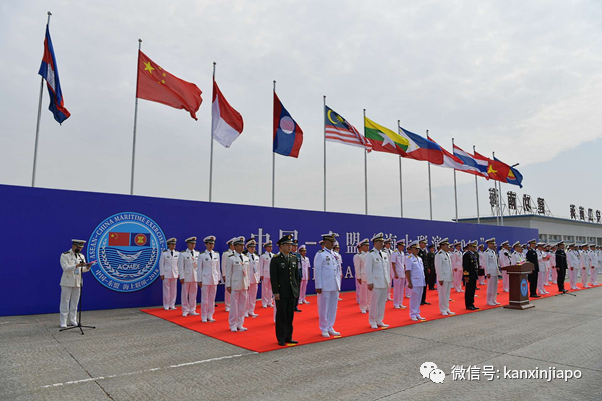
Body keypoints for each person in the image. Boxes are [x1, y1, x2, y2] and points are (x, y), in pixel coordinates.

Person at [270, 235, 299, 346]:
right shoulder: (276, 259)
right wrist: (276, 292)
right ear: (281, 246)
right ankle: (281, 338)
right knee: (281, 315)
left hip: (291, 291)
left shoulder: (293, 258)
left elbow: (296, 276)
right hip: (281, 292)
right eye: (287, 244)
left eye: (290, 244)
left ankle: (288, 337)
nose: (289, 246)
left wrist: (296, 290)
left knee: (290, 315)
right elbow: (274, 277)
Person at [59, 239, 93, 328]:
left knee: (75, 302)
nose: (79, 249)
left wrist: (88, 267)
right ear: (73, 246)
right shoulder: (65, 255)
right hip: (67, 281)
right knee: (65, 301)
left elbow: (82, 270)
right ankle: (63, 321)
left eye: (81, 248)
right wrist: (76, 266)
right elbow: (65, 268)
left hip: (78, 282)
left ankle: (72, 320)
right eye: (78, 247)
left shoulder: (81, 256)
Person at [314, 231, 342, 337]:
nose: (332, 243)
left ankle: (330, 326)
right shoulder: (320, 254)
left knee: (333, 307)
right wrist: (318, 286)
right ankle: (323, 328)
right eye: (330, 241)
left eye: (333, 241)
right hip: (325, 285)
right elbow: (317, 271)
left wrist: (339, 283)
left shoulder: (335, 255)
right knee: (323, 307)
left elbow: (338, 270)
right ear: (325, 242)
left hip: (334, 284)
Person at [365, 233, 392, 328]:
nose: (382, 243)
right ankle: (372, 321)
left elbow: (387, 269)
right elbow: (368, 269)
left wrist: (388, 280)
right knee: (373, 303)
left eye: (382, 242)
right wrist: (370, 282)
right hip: (375, 283)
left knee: (381, 303)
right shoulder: (370, 254)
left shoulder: (384, 254)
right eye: (380, 242)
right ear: (375, 242)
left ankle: (380, 320)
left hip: (384, 282)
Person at [225, 236, 250, 332]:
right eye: (240, 245)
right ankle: (233, 324)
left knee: (242, 305)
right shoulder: (231, 258)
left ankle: (240, 323)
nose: (242, 247)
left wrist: (247, 284)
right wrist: (228, 285)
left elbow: (247, 272)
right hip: (235, 284)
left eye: (243, 245)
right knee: (234, 306)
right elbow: (228, 273)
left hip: (244, 284)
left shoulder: (245, 257)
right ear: (235, 246)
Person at [198, 235, 220, 322]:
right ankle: (204, 315)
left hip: (214, 279)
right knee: (205, 299)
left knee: (212, 299)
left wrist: (218, 278)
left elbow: (217, 268)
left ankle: (210, 315)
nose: (211, 245)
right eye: (209, 244)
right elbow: (199, 268)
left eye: (212, 244)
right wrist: (199, 280)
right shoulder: (202, 255)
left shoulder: (216, 254)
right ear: (206, 245)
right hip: (205, 279)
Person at [178, 237, 200, 317]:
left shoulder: (198, 253)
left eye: (194, 243)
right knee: (184, 294)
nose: (193, 245)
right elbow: (181, 266)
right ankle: (185, 310)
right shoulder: (183, 254)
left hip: (195, 276)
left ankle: (192, 309)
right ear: (188, 244)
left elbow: (199, 266)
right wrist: (181, 276)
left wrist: (199, 277)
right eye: (191, 243)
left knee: (193, 294)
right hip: (186, 276)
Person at [405, 240, 426, 321]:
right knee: (414, 298)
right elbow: (408, 271)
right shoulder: (409, 258)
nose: (417, 250)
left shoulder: (419, 258)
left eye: (418, 248)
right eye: (415, 248)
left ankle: (417, 313)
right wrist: (409, 282)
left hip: (421, 281)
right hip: (414, 281)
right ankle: (412, 314)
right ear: (411, 249)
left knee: (419, 298)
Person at [434, 238, 454, 315]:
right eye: (446, 245)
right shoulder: (439, 255)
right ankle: (442, 309)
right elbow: (438, 267)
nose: (448, 247)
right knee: (442, 294)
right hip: (443, 277)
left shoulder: (447, 254)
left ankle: (447, 308)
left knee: (447, 294)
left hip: (448, 277)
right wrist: (440, 278)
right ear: (442, 245)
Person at [159, 237, 179, 310]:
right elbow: (161, 264)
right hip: (166, 274)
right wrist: (162, 274)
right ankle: (166, 305)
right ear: (168, 245)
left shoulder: (177, 253)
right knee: (166, 290)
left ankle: (172, 305)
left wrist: (179, 273)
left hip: (175, 273)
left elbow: (178, 264)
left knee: (174, 290)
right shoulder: (164, 253)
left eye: (174, 244)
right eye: (172, 244)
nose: (173, 246)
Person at [245, 239, 260, 318]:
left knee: (253, 296)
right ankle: (245, 311)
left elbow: (258, 268)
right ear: (247, 247)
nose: (253, 249)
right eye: (251, 247)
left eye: (254, 247)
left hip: (255, 278)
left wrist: (258, 277)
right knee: (246, 296)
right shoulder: (245, 257)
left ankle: (251, 310)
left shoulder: (256, 257)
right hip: (248, 278)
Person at [354, 238, 370, 313]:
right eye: (366, 246)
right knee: (363, 294)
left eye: (368, 246)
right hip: (363, 277)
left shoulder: (369, 255)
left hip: (369, 277)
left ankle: (368, 306)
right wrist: (358, 277)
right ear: (362, 247)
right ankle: (363, 307)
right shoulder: (358, 256)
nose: (367, 247)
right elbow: (357, 268)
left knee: (369, 294)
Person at [463, 240, 480, 310]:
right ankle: (468, 304)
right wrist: (466, 276)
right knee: (469, 290)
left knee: (473, 289)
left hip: (474, 274)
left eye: (475, 246)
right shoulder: (467, 255)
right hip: (469, 275)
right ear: (469, 247)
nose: (475, 248)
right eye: (473, 246)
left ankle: (472, 303)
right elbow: (465, 266)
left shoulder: (474, 254)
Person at [484, 238, 501, 306]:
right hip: (490, 272)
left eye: (494, 244)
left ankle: (494, 299)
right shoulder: (486, 252)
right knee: (490, 287)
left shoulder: (493, 252)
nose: (493, 245)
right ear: (488, 244)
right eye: (492, 244)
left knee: (495, 287)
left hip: (495, 271)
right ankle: (489, 300)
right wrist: (487, 272)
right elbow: (486, 263)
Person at [221, 238, 236, 312]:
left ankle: (233, 305)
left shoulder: (237, 253)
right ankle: (227, 305)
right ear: (230, 245)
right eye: (233, 245)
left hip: (236, 274)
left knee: (235, 290)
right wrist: (224, 274)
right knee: (228, 291)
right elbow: (224, 265)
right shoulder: (226, 254)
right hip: (228, 274)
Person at [391, 240, 407, 309]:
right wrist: (395, 273)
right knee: (396, 289)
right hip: (397, 273)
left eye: (403, 246)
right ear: (398, 246)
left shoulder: (403, 253)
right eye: (402, 246)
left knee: (401, 289)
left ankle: (400, 302)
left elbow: (403, 263)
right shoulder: (394, 253)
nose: (403, 247)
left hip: (402, 272)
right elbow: (393, 263)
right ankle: (396, 303)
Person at [260, 240, 274, 308]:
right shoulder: (263, 256)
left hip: (272, 275)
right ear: (265, 248)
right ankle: (264, 302)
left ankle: (270, 302)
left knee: (270, 289)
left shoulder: (273, 255)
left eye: (271, 247)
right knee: (265, 289)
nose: (270, 248)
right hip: (265, 274)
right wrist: (261, 274)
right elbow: (261, 266)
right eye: (269, 247)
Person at [418, 240, 430, 305]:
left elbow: (426, 260)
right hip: (420, 270)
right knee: (420, 286)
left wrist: (427, 268)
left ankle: (423, 299)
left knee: (425, 285)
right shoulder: (418, 251)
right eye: (424, 243)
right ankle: (419, 300)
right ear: (420, 244)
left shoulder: (425, 251)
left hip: (425, 270)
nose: (425, 245)